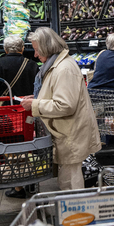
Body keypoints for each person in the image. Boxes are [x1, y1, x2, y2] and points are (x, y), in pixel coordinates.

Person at [20, 27, 102, 191]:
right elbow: (57, 94)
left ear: (47, 48)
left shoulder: (63, 69)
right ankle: (71, 213)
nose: (35, 55)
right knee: (67, 179)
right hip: (66, 132)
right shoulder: (55, 65)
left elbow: (65, 105)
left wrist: (35, 105)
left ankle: (77, 214)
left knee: (71, 182)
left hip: (71, 133)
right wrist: (36, 99)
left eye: (37, 50)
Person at [0, 36, 39, 199]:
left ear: (5, 50)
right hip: (27, 114)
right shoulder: (32, 64)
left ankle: (17, 185)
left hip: (5, 116)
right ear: (23, 49)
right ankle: (31, 178)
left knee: (10, 147)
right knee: (27, 143)